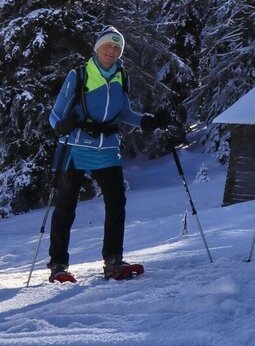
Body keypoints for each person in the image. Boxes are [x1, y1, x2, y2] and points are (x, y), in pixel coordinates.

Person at [47, 25, 168, 282]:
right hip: (76, 147)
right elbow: (55, 113)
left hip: (108, 148)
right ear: (98, 48)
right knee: (65, 207)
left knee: (116, 204)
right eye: (108, 46)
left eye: (117, 47)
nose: (112, 51)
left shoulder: (121, 76)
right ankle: (58, 265)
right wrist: (61, 126)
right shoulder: (79, 75)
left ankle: (113, 261)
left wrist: (148, 121)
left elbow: (124, 113)